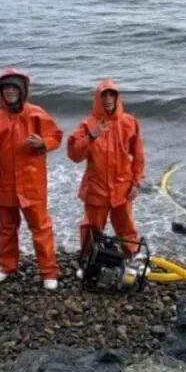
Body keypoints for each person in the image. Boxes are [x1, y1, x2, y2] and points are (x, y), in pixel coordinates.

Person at [0, 68, 64, 290]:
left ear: (22, 91)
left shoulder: (37, 114)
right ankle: (7, 266)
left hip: (32, 183)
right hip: (2, 182)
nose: (10, 92)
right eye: (6, 89)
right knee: (6, 227)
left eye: (14, 88)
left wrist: (42, 143)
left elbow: (56, 136)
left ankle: (49, 271)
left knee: (41, 227)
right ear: (0, 93)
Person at [66, 80, 146, 260]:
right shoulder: (88, 125)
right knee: (92, 228)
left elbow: (139, 156)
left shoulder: (129, 122)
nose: (108, 99)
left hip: (122, 187)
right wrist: (92, 136)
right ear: (97, 99)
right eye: (104, 96)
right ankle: (87, 261)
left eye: (112, 95)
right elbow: (74, 155)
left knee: (126, 227)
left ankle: (131, 258)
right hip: (97, 187)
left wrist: (136, 182)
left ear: (117, 98)